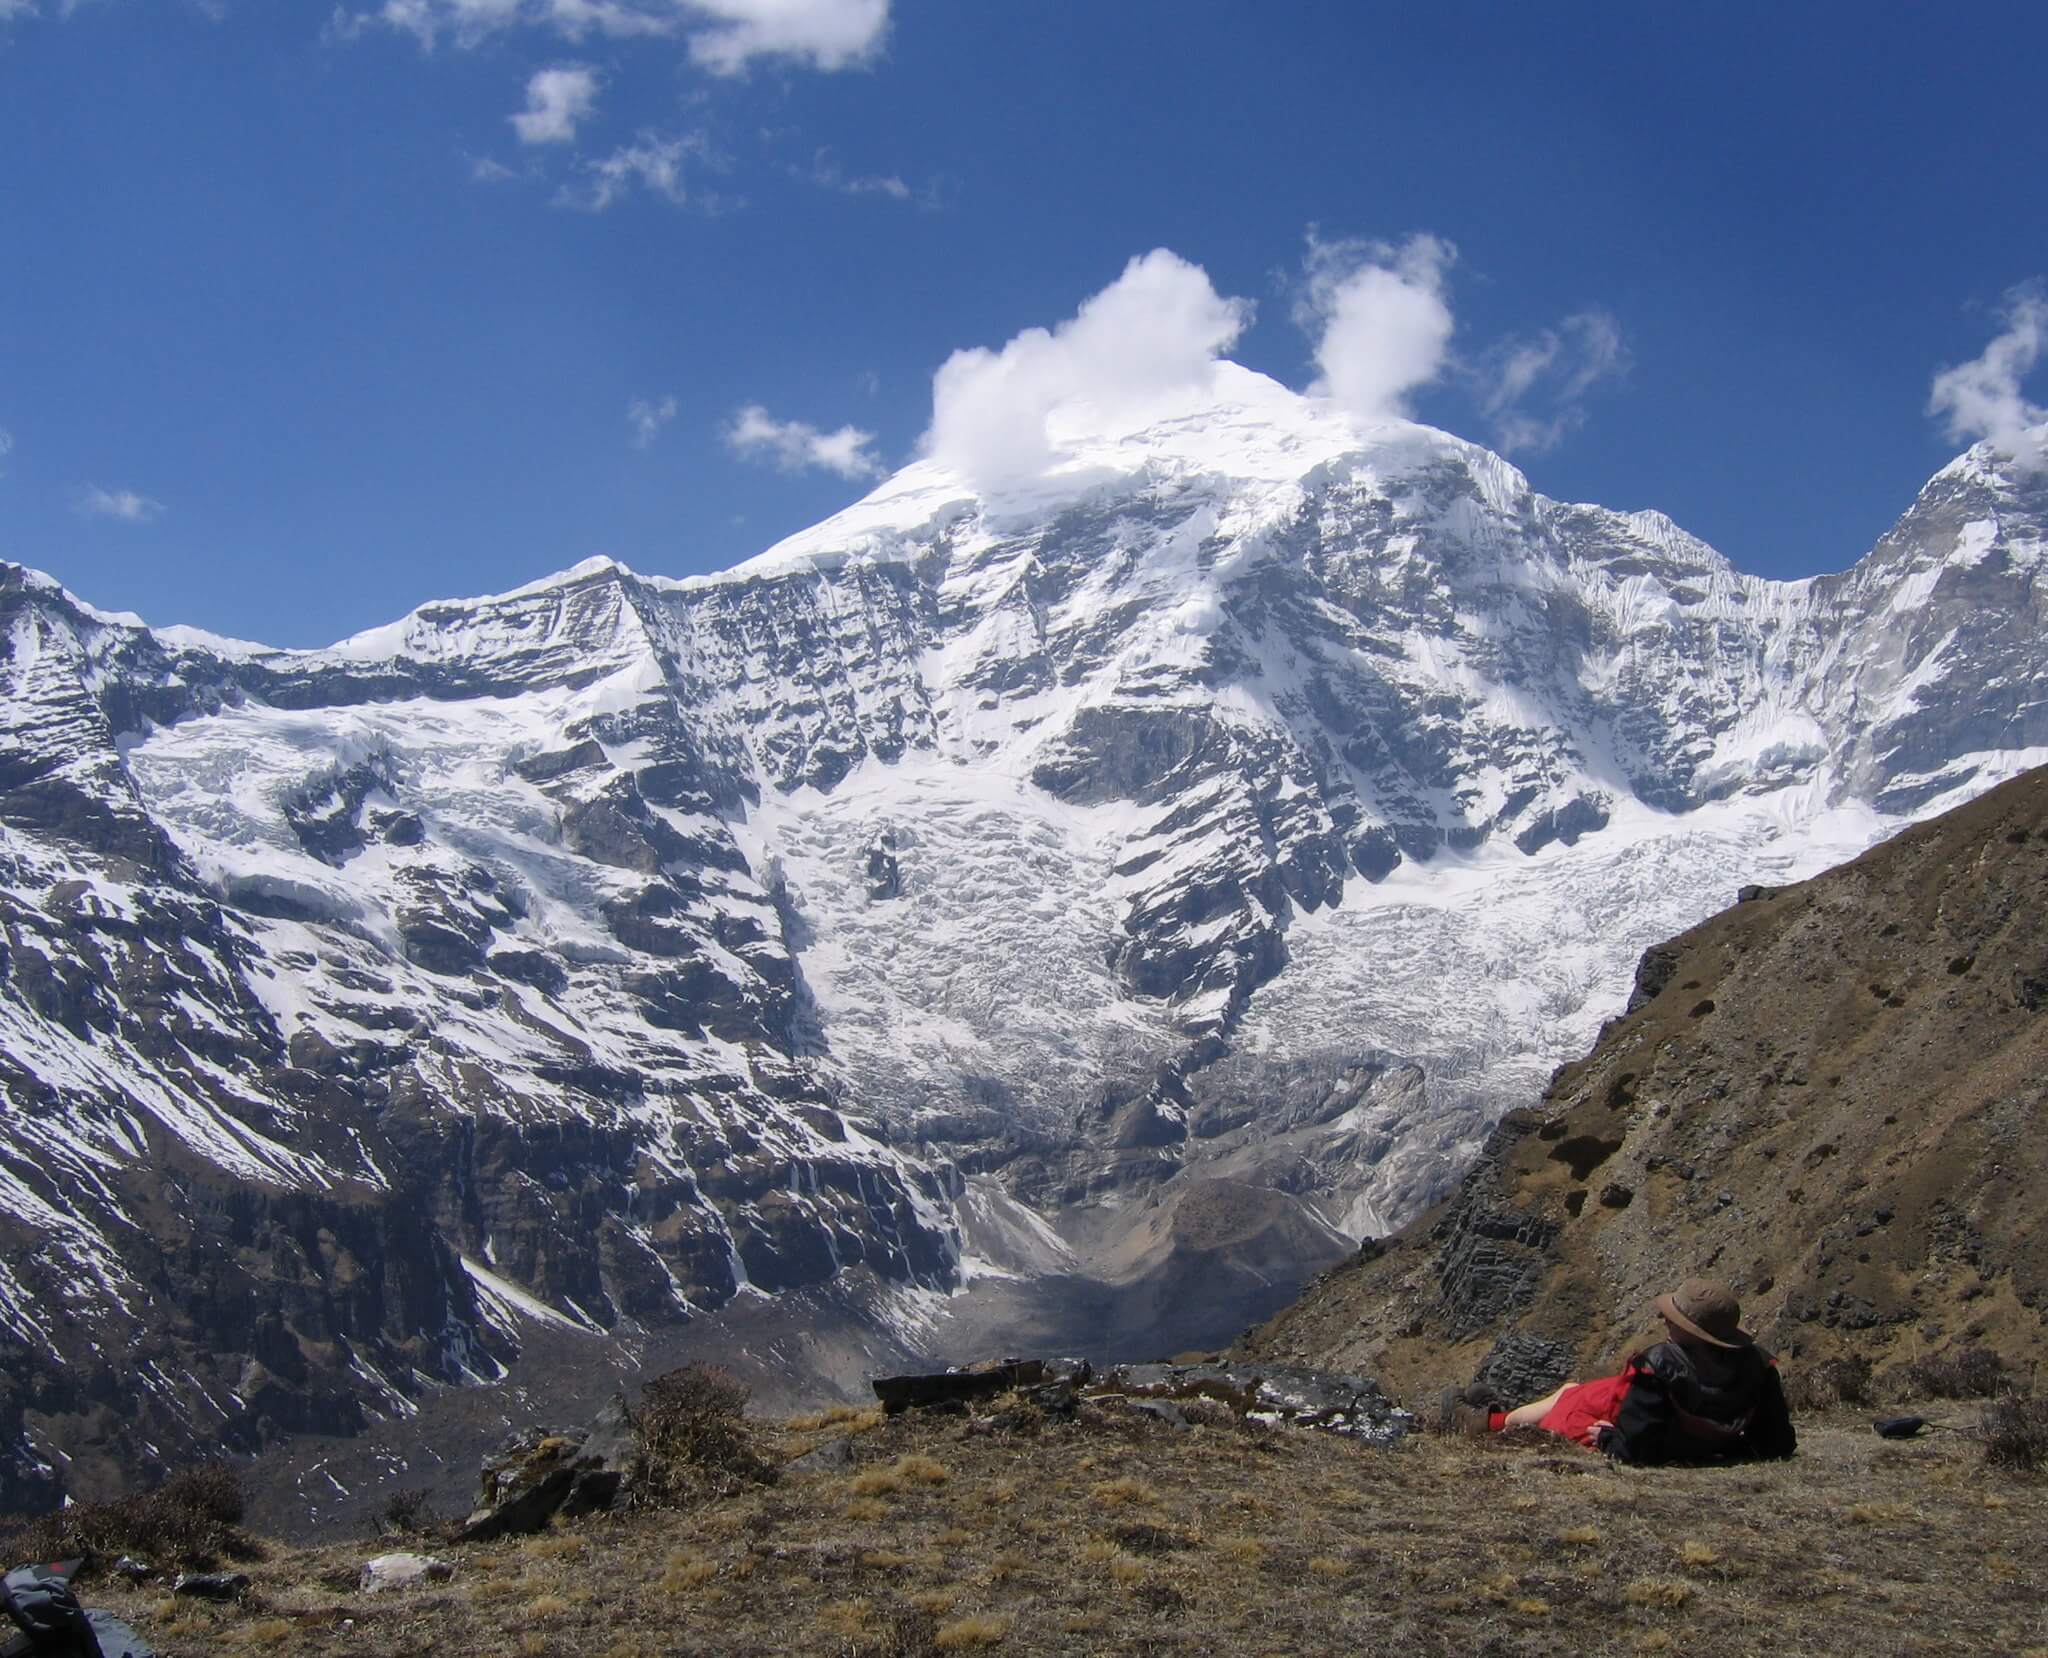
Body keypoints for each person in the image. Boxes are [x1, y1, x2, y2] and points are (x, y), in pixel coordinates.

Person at [1443, 1278, 1796, 1464]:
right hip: (1696, 1438)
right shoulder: (1759, 1367)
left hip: (1617, 1419)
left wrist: (1610, 1440)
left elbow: (1638, 1447)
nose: (1665, 1321)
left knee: (1569, 1400)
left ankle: (1487, 1422)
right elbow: (1778, 1443)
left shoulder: (1658, 1368)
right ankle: (1492, 1415)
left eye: (1674, 1319)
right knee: (1571, 1390)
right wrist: (1721, 1450)